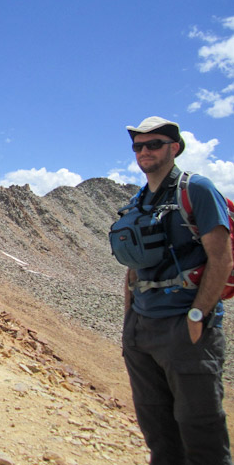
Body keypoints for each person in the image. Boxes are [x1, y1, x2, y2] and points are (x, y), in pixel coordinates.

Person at [119, 116, 233, 464]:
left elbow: (222, 258)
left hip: (185, 329)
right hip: (142, 329)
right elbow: (133, 269)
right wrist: (129, 321)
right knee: (159, 434)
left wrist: (196, 316)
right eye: (139, 146)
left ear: (174, 148)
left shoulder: (196, 189)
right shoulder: (138, 200)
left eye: (154, 144)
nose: (144, 152)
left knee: (201, 434)